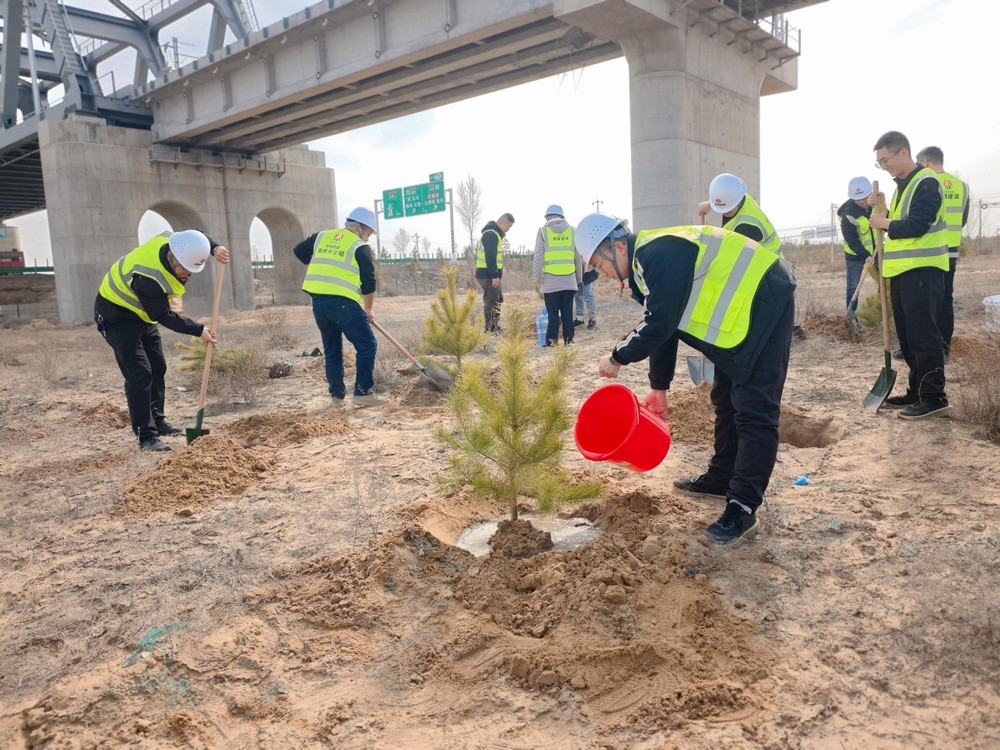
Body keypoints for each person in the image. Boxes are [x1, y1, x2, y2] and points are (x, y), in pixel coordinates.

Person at [575, 214, 796, 546]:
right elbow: (667, 325)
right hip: (736, 321)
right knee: (725, 398)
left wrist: (618, 355)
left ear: (618, 246)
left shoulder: (657, 253)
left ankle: (742, 508)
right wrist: (658, 388)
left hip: (764, 301)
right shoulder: (642, 268)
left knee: (755, 410)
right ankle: (722, 477)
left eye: (599, 264)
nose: (601, 274)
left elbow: (661, 324)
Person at [94, 230, 229, 452]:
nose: (187, 276)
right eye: (185, 270)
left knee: (158, 366)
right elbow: (163, 315)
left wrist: (213, 248)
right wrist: (199, 330)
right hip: (116, 316)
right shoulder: (149, 278)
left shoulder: (173, 240)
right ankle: (146, 436)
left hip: (141, 315)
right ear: (172, 258)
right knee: (140, 373)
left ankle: (158, 422)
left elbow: (197, 233)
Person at [869, 131, 951, 419]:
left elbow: (916, 225)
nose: (883, 166)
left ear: (903, 152)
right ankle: (917, 391)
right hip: (903, 272)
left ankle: (934, 398)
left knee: (923, 335)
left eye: (885, 160)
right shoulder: (904, 186)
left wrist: (883, 221)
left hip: (923, 271)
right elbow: (901, 220)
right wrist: (883, 208)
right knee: (907, 338)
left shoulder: (926, 181)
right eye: (879, 163)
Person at [294, 206, 383, 408]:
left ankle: (336, 397)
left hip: (319, 304)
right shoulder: (359, 246)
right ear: (360, 227)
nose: (367, 238)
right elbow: (368, 282)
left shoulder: (322, 237)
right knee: (367, 344)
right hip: (343, 303)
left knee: (332, 350)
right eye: (368, 233)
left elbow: (298, 251)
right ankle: (363, 393)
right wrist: (368, 309)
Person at [916, 146, 970, 358]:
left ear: (927, 162)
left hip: (931, 251)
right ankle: (943, 349)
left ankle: (926, 350)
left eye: (919, 163)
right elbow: (963, 219)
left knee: (927, 301)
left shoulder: (927, 184)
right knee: (946, 298)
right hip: (952, 250)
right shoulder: (962, 187)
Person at [533, 204, 582, 346]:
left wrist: (537, 277)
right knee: (567, 313)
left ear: (547, 217)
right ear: (562, 216)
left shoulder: (543, 232)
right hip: (569, 280)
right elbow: (577, 258)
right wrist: (578, 278)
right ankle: (569, 340)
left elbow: (538, 257)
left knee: (553, 314)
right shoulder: (573, 231)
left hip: (550, 282)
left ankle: (552, 341)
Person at [837, 176, 876, 315]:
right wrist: (866, 255)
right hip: (856, 256)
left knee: (884, 283)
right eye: (859, 199)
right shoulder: (848, 216)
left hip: (877, 252)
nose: (863, 202)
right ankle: (851, 316)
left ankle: (881, 311)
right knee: (853, 288)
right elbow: (852, 241)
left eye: (865, 198)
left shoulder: (874, 206)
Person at [474, 212, 514, 333]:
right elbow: (490, 258)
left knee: (497, 299)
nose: (508, 230)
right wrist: (495, 276)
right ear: (501, 222)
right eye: (508, 226)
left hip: (490, 274)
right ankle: (490, 328)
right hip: (487, 275)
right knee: (491, 300)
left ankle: (494, 326)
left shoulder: (494, 234)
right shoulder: (491, 235)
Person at [574, 255, 599, 331]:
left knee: (588, 295)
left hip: (587, 273)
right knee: (578, 296)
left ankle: (592, 319)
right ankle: (579, 318)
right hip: (578, 273)